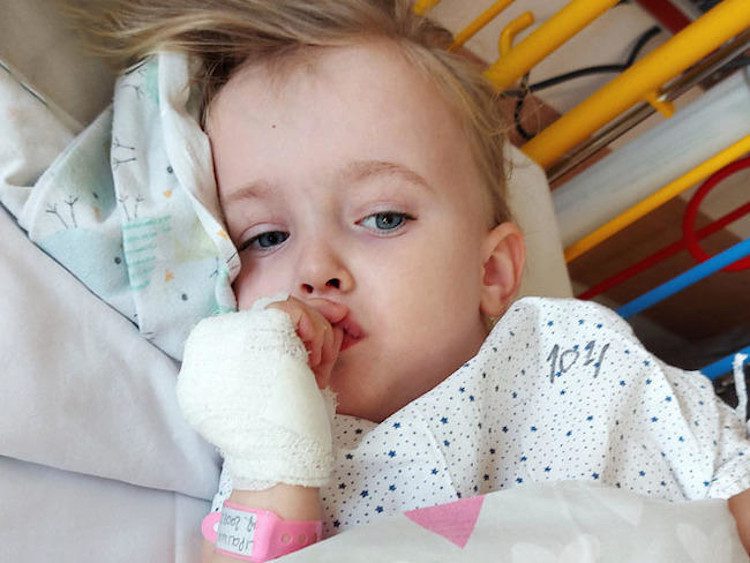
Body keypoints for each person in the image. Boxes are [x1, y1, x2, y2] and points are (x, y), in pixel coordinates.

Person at [72, 1, 750, 561]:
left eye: (384, 218)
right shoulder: (284, 441)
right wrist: (274, 459)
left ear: (490, 272)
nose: (315, 269)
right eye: (267, 238)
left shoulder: (579, 361)